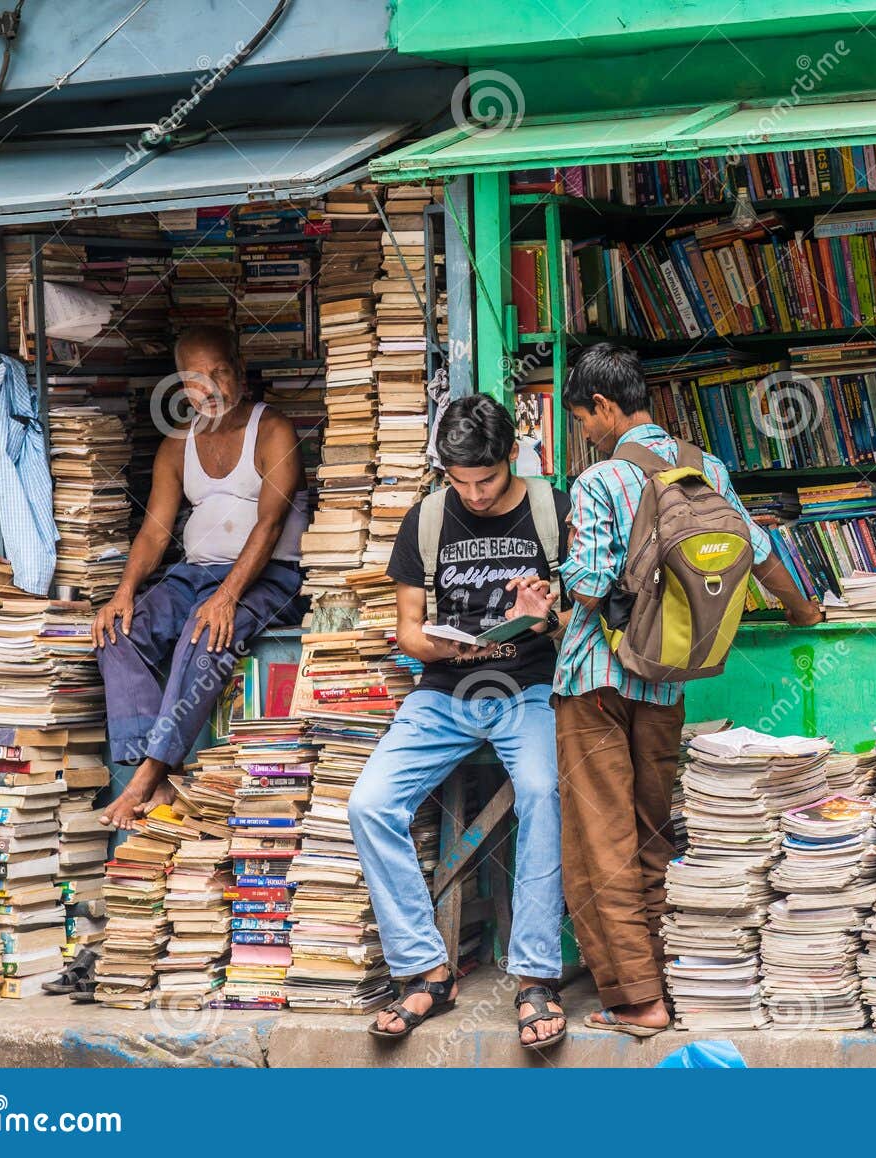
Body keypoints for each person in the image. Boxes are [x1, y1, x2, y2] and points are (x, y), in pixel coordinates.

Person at [555, 342, 824, 1036]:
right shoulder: (705, 468)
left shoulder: (599, 481)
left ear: (606, 408)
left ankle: (639, 999)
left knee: (600, 838)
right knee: (651, 830)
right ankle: (670, 975)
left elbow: (586, 587)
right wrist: (805, 614)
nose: (584, 433)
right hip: (669, 681)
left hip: (597, 682)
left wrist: (551, 605)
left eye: (583, 419)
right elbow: (758, 553)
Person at [347, 394, 571, 1049]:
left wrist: (543, 614)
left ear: (512, 458)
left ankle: (533, 978)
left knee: (541, 790)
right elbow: (409, 634)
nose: (473, 494)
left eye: (487, 479)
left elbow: (587, 618)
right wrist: (449, 647)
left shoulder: (553, 512)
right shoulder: (426, 520)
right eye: (458, 480)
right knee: (368, 803)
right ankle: (427, 971)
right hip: (444, 692)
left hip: (528, 686)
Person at [92, 325, 309, 828]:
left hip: (267, 578)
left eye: (219, 373)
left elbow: (270, 523)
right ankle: (160, 769)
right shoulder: (177, 445)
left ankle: (148, 775)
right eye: (195, 378)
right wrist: (122, 593)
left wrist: (229, 596)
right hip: (191, 575)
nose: (209, 387)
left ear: (240, 373)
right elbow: (154, 532)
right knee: (115, 634)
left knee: (204, 630)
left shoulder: (271, 429)